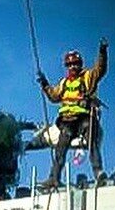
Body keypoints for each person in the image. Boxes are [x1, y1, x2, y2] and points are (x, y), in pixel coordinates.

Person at [36, 38, 108, 187]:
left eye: (75, 64)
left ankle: (98, 172)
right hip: (67, 121)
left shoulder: (87, 77)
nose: (73, 67)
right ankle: (54, 178)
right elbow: (54, 96)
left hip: (84, 117)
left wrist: (102, 51)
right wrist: (45, 84)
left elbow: (100, 69)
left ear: (80, 64)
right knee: (60, 150)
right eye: (70, 65)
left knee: (91, 142)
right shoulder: (64, 83)